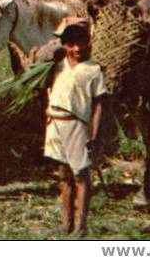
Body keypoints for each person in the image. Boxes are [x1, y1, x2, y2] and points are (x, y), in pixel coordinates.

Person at [44, 17, 105, 238]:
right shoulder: (57, 67)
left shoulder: (93, 70)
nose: (76, 48)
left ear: (88, 42)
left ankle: (82, 224)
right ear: (64, 44)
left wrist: (94, 135)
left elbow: (98, 105)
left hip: (77, 126)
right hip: (55, 124)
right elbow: (45, 90)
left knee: (80, 174)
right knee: (63, 175)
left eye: (81, 42)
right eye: (71, 43)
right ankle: (65, 221)